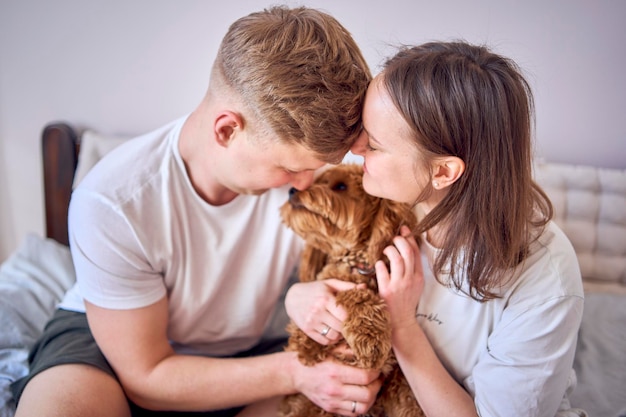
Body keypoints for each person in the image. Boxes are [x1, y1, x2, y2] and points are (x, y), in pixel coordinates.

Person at [11, 6, 379, 417]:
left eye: (316, 167)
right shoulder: (114, 200)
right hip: (115, 343)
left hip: (258, 345)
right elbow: (147, 376)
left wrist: (302, 297)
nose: (306, 184)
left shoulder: (307, 171)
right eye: (291, 168)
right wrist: (295, 372)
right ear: (226, 130)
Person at [286, 41, 586, 416]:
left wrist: (403, 327)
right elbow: (335, 256)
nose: (356, 147)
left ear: (443, 171)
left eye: (375, 144)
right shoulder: (390, 204)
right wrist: (298, 296)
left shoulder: (544, 277)